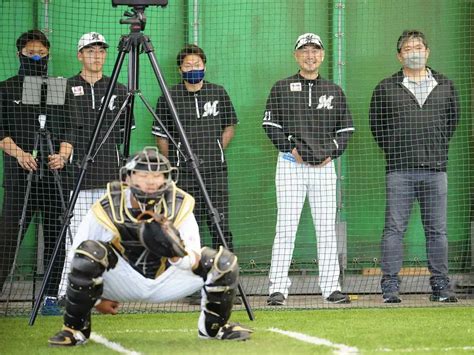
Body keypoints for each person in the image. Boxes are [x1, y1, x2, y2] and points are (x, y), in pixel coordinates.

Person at [48, 147, 252, 346]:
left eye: (158, 175)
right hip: (121, 282)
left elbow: (195, 256)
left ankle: (214, 328)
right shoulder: (107, 206)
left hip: (168, 280)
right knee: (90, 251)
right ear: (127, 177)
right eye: (143, 175)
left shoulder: (179, 204)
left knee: (223, 262)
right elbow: (77, 255)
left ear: (167, 178)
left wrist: (175, 253)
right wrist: (96, 300)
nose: (151, 181)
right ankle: (75, 329)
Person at [262, 33, 354, 306]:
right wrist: (290, 149)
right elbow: (269, 125)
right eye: (304, 50)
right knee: (286, 228)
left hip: (324, 169)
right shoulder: (281, 87)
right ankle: (277, 289)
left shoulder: (334, 91)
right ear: (296, 55)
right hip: (291, 166)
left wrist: (331, 153)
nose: (310, 55)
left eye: (315, 51)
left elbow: (346, 129)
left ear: (322, 56)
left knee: (326, 228)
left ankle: (331, 288)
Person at [370, 30, 459, 303]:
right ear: (399, 56)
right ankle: (390, 287)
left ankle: (441, 287)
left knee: (437, 231)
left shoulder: (445, 85)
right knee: (394, 230)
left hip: (435, 170)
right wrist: (397, 150)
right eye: (408, 48)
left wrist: (435, 149)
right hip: (399, 171)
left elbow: (452, 122)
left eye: (418, 47)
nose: (414, 52)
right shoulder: (386, 87)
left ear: (427, 51)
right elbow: (377, 127)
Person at [0, 30, 72, 306]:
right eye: (31, 52)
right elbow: (1, 132)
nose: (36, 56)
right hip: (20, 179)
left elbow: (69, 131)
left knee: (56, 237)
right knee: (8, 237)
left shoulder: (56, 87)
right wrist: (19, 154)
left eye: (41, 52)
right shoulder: (6, 88)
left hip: (53, 179)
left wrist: (62, 156)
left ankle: (51, 296)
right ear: (19, 54)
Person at [57, 32, 132, 296]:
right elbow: (57, 131)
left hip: (109, 178)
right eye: (90, 51)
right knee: (75, 237)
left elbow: (125, 133)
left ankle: (106, 293)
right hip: (75, 177)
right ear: (80, 55)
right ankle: (70, 292)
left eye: (100, 51)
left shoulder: (119, 89)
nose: (96, 56)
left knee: (109, 239)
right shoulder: (63, 86)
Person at [153, 44, 238, 252]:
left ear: (205, 66)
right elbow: (161, 137)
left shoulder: (218, 92)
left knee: (219, 223)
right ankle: (188, 273)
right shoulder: (168, 97)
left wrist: (217, 148)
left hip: (215, 172)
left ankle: (225, 273)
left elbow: (229, 126)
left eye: (197, 64)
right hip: (184, 174)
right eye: (188, 65)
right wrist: (173, 163)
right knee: (187, 224)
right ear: (180, 69)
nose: (193, 69)